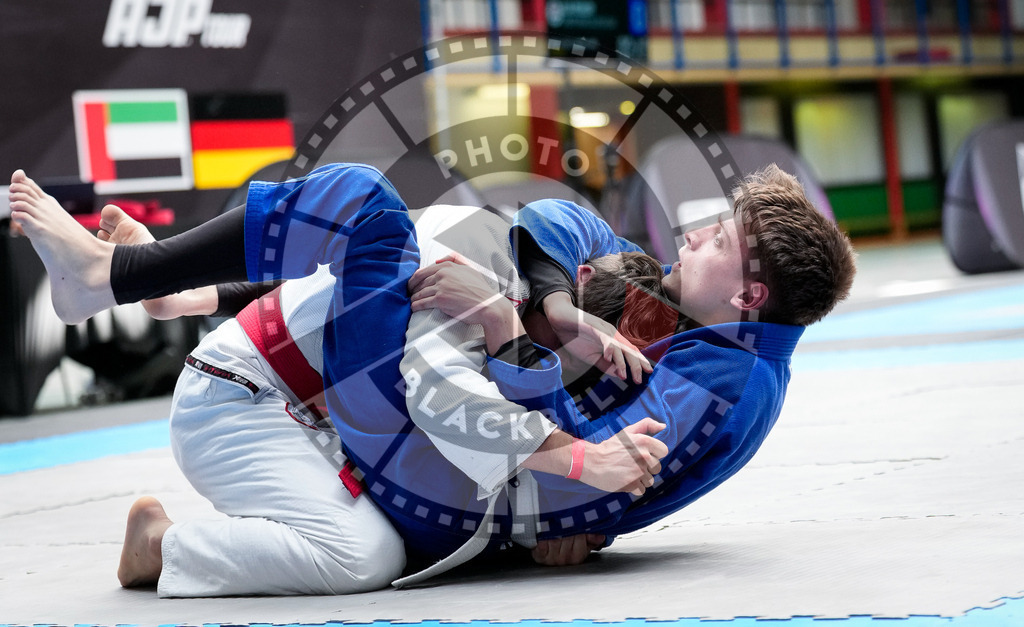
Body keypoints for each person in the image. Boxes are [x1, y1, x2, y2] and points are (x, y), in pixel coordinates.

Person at [10, 161, 856, 591]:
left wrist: (510, 338)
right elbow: (556, 220)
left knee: (383, 229)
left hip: (374, 440)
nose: (698, 232)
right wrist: (560, 312)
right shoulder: (675, 305)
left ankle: (150, 288)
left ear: (750, 293)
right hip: (297, 397)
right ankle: (164, 283)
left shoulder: (723, 386)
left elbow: (586, 469)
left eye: (720, 238)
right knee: (409, 238)